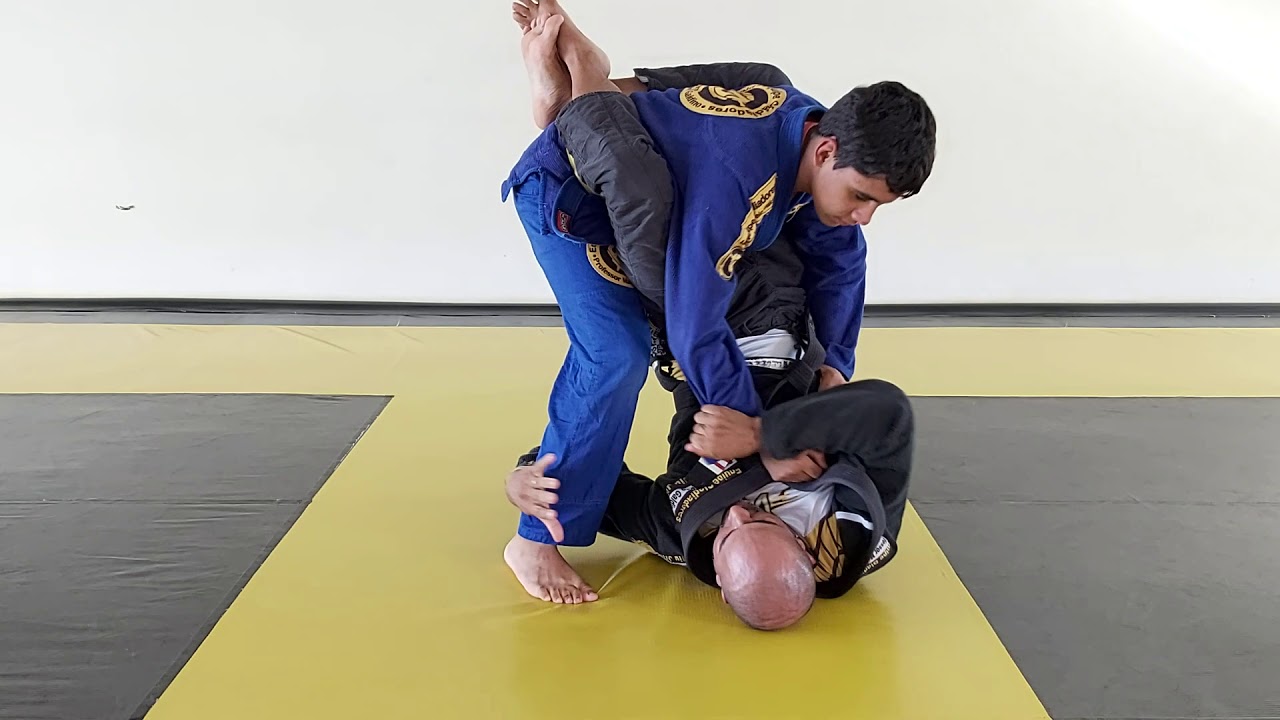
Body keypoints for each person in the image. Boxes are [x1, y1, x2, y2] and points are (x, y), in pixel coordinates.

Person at [501, 0, 936, 604]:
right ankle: (586, 101)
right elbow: (884, 412)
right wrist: (772, 434)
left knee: (620, 351)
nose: (866, 216)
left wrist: (528, 477)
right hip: (582, 202)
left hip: (611, 217)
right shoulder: (852, 523)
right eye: (864, 196)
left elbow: (826, 262)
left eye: (879, 205)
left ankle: (533, 539)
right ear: (827, 148)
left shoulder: (685, 529)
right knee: (649, 278)